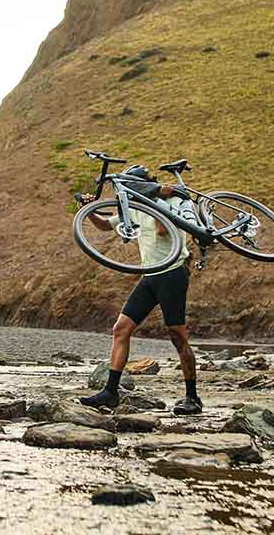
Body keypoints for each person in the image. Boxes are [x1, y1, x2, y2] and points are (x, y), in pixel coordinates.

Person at [76, 165, 203, 415]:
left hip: (173, 273)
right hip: (150, 275)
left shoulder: (171, 200)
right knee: (120, 329)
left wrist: (153, 200)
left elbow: (162, 229)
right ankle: (110, 392)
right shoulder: (133, 208)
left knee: (177, 335)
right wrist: (87, 210)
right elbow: (105, 225)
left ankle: (192, 397)